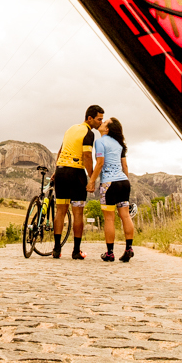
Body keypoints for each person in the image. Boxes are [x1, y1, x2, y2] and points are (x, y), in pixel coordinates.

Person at [51, 105, 103, 259]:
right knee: (78, 212)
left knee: (60, 211)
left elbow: (61, 150)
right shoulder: (88, 133)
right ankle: (76, 251)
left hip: (61, 170)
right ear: (90, 118)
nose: (100, 122)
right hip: (76, 173)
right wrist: (91, 178)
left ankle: (56, 249)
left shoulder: (71, 129)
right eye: (99, 119)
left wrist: (56, 170)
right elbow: (87, 156)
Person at [89, 117, 134, 262]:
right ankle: (129, 248)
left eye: (104, 122)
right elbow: (125, 166)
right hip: (123, 182)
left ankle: (110, 253)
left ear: (107, 129)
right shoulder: (119, 144)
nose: (101, 123)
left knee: (109, 218)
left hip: (109, 184)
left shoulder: (100, 142)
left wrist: (91, 181)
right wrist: (125, 181)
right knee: (125, 216)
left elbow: (100, 163)